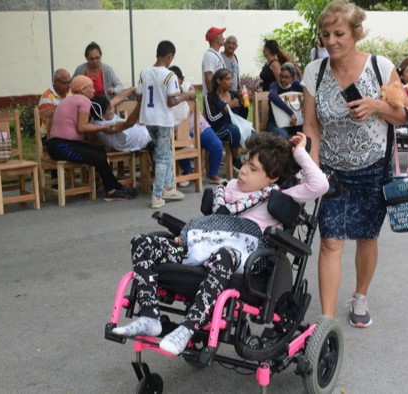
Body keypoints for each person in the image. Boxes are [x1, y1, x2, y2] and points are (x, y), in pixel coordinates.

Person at [111, 132, 329, 356]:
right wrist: (186, 236)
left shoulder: (281, 195)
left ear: (272, 176)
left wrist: (300, 152)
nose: (243, 171)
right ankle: (150, 316)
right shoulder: (228, 190)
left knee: (225, 254)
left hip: (242, 260)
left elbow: (320, 184)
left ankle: (188, 327)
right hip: (203, 249)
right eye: (245, 163)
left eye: (253, 169)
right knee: (142, 243)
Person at [301, 0, 408, 328]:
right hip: (331, 170)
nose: (331, 41)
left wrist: (377, 105)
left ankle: (360, 294)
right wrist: (313, 171)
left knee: (366, 236)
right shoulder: (314, 72)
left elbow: (403, 116)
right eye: (325, 34)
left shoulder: (381, 67)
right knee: (330, 241)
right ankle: (327, 320)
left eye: (339, 33)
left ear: (356, 33)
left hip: (373, 167)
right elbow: (311, 127)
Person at [46, 75, 137, 202]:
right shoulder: (83, 101)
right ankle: (111, 191)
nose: (94, 91)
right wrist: (102, 128)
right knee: (98, 157)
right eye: (91, 87)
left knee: (99, 151)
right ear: (82, 90)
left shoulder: (69, 99)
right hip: (62, 146)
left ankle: (114, 187)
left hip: (57, 145)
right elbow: (82, 127)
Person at [136, 40, 197, 209]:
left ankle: (169, 187)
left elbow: (139, 97)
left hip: (148, 119)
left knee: (166, 151)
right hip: (163, 120)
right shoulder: (169, 75)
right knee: (163, 156)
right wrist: (187, 96)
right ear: (169, 56)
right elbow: (171, 101)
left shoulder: (144, 72)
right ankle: (157, 195)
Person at [168, 65, 225, 185]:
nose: (172, 82)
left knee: (217, 145)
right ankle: (188, 172)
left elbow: (193, 93)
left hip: (199, 126)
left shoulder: (187, 88)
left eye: (175, 79)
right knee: (179, 143)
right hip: (179, 131)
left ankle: (213, 174)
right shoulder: (166, 93)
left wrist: (185, 92)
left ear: (181, 79)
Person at [203, 68, 245, 171]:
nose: (231, 82)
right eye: (227, 79)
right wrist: (227, 108)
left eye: (231, 79)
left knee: (251, 133)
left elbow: (242, 117)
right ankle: (235, 160)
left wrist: (244, 104)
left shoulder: (233, 95)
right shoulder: (210, 98)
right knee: (233, 130)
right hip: (216, 130)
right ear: (219, 81)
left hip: (234, 127)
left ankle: (254, 165)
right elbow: (211, 119)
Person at [267, 62, 304, 139]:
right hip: (275, 123)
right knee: (283, 135)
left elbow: (308, 93)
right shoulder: (274, 85)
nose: (283, 80)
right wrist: (291, 113)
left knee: (307, 131)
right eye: (281, 76)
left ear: (293, 78)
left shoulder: (296, 85)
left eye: (286, 77)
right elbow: (272, 96)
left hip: (294, 124)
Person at [37, 68, 71, 141]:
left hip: (65, 131)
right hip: (49, 135)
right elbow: (51, 121)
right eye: (65, 83)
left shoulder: (70, 93)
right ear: (55, 82)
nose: (68, 85)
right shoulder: (47, 96)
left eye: (69, 82)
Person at [201, 26, 227, 96]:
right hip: (214, 97)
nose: (224, 38)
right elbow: (209, 79)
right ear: (216, 39)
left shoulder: (216, 54)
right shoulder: (209, 55)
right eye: (221, 36)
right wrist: (214, 98)